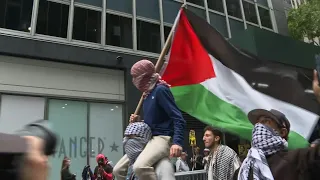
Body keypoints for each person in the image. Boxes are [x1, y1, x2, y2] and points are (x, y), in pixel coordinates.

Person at [113, 59, 186, 180]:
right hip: (148, 138)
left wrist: (177, 143)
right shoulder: (147, 94)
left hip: (162, 138)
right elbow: (154, 122)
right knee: (117, 170)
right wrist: (138, 121)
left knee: (139, 167)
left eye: (135, 76)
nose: (133, 80)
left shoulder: (161, 90)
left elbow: (178, 118)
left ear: (144, 76)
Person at [236, 108, 320, 180]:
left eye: (265, 121)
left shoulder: (299, 159)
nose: (258, 127)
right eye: (257, 124)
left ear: (282, 132)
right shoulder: (243, 170)